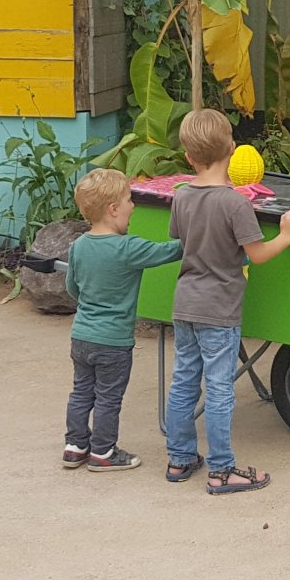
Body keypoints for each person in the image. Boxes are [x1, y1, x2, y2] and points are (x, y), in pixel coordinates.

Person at [164, 108, 290, 494]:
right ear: (232, 148)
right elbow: (256, 254)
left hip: (185, 303)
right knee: (220, 387)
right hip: (219, 310)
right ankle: (222, 470)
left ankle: (180, 459)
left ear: (188, 157)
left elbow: (185, 242)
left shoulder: (181, 198)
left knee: (183, 382)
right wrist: (288, 235)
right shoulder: (235, 204)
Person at [62, 168, 183, 473]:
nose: (134, 206)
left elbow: (72, 288)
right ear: (113, 209)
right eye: (130, 200)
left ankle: (75, 446)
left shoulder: (78, 246)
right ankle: (103, 451)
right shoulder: (128, 248)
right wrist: (201, 232)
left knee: (81, 391)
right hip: (113, 341)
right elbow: (171, 251)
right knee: (108, 397)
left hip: (81, 337)